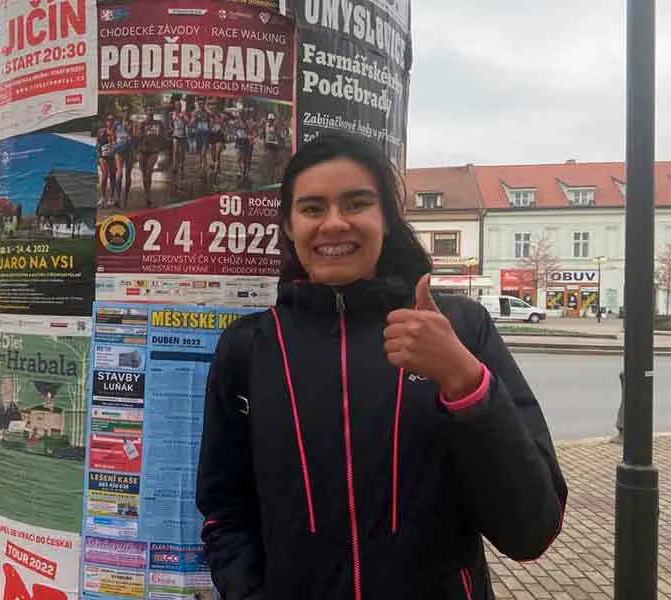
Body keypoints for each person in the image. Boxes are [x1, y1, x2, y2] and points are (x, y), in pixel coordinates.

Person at [196, 132, 567, 599]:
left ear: (386, 219)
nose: (334, 223)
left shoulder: (458, 329)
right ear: (289, 227)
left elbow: (531, 530)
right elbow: (225, 510)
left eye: (356, 204)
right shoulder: (249, 348)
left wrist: (464, 383)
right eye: (312, 208)